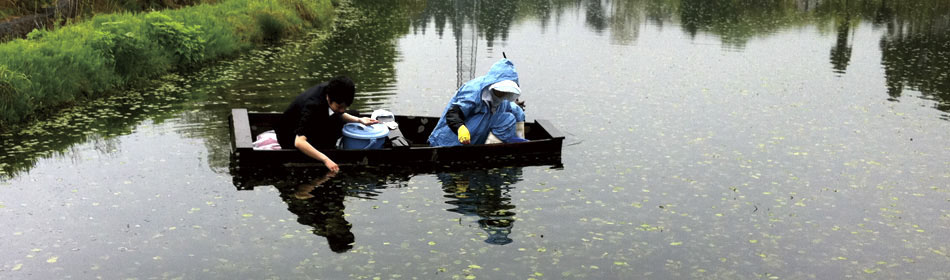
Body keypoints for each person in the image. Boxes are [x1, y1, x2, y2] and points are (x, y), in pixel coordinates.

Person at [275, 76, 378, 172]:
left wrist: (359, 120)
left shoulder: (332, 90)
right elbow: (299, 142)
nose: (342, 110)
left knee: (353, 114)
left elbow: (339, 113)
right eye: (339, 107)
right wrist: (325, 159)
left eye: (345, 107)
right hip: (289, 137)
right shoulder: (313, 107)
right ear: (329, 98)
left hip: (310, 122)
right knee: (334, 131)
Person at [428, 58, 527, 147]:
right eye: (500, 90)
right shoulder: (474, 91)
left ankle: (488, 151)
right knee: (506, 119)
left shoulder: (504, 99)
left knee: (509, 118)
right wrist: (460, 128)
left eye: (506, 92)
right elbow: (453, 114)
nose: (502, 94)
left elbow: (518, 113)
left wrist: (519, 139)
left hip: (477, 140)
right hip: (450, 141)